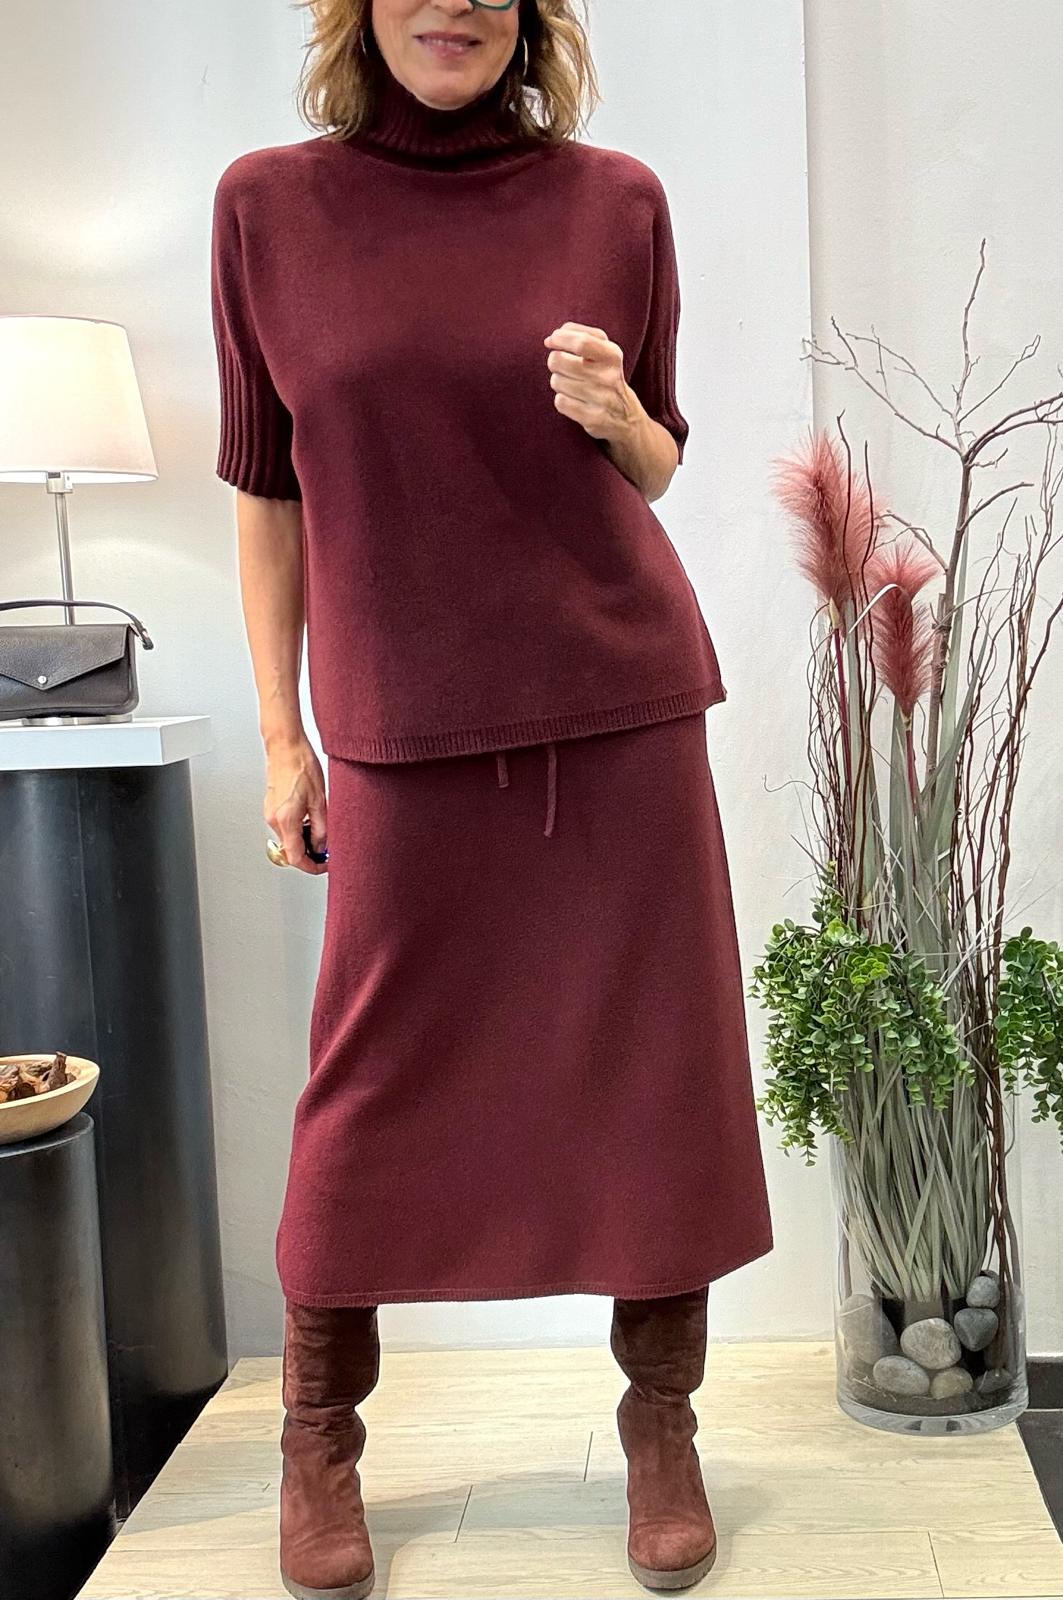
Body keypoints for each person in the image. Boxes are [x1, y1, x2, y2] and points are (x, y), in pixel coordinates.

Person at [209, 1, 774, 1594]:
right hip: (401, 732)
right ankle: (317, 1439)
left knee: (653, 1081)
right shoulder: (267, 207)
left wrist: (621, 416)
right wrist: (282, 736)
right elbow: (266, 489)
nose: (450, 4)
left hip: (621, 711)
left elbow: (658, 461)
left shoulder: (617, 202)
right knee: (365, 1095)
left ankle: (660, 1428)